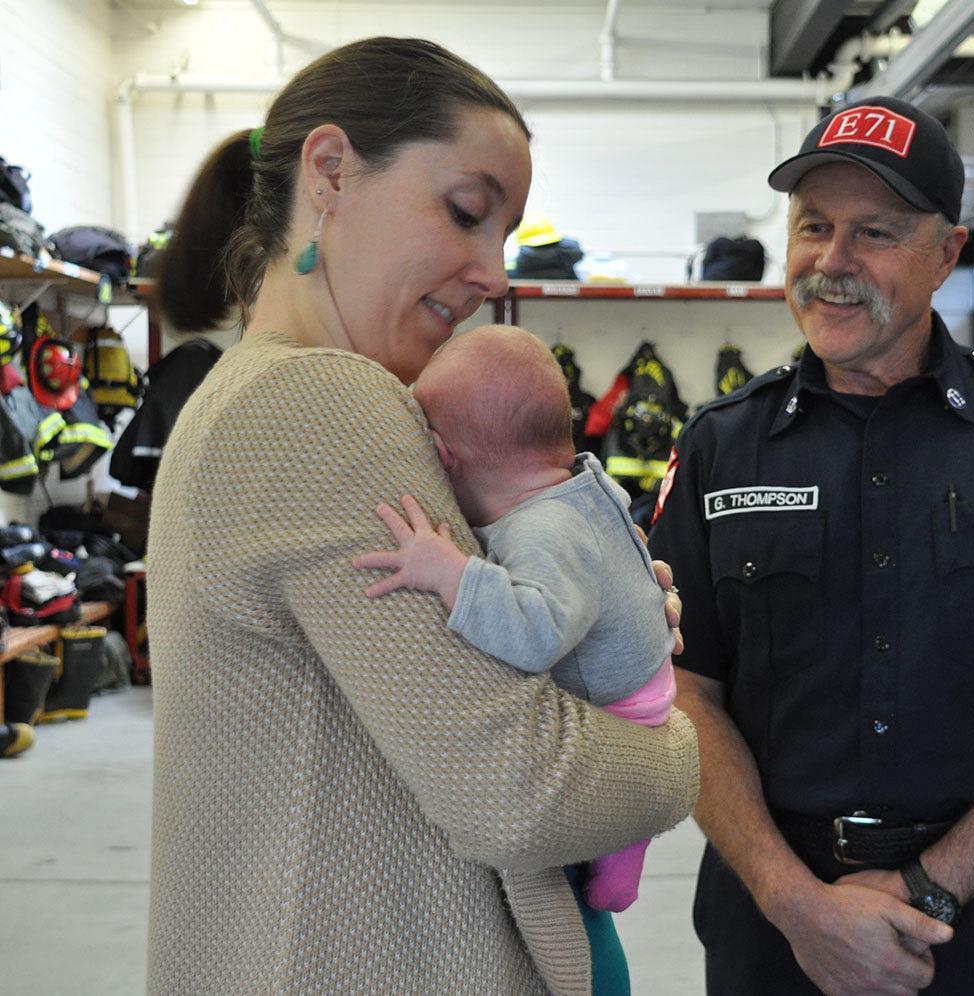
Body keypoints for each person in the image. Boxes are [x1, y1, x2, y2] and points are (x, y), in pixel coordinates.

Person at [146, 37, 699, 996]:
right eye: (467, 213)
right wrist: (667, 738)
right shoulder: (319, 403)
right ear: (330, 172)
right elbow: (527, 792)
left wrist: (589, 622)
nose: (493, 272)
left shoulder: (261, 391)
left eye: (505, 234)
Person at [647, 95, 974, 996]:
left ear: (947, 255)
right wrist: (796, 903)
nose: (832, 263)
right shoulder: (715, 449)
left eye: (875, 233)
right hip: (775, 928)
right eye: (813, 227)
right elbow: (684, 694)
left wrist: (934, 887)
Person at [352, 322, 677, 914]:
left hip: (624, 706)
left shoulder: (542, 530)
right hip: (645, 677)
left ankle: (618, 865)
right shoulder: (576, 485)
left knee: (601, 871)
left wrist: (448, 572)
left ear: (444, 459)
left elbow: (535, 634)